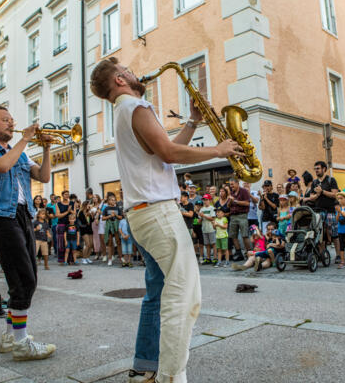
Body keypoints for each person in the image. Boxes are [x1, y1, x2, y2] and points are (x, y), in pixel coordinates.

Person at [90, 56, 242, 383]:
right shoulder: (137, 106)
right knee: (184, 298)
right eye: (127, 70)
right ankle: (171, 376)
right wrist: (218, 150)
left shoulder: (124, 111)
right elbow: (170, 154)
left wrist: (192, 122)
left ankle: (147, 365)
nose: (133, 72)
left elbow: (165, 155)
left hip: (144, 214)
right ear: (119, 80)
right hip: (157, 212)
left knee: (160, 293)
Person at [0, 101, 55, 360]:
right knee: (23, 279)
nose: (12, 123)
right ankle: (21, 343)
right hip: (0, 215)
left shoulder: (20, 153)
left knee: (27, 277)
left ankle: (10, 336)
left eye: (11, 120)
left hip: (22, 214)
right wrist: (26, 139)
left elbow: (43, 177)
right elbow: (1, 166)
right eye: (5, 119)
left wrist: (47, 148)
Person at [304, 161, 340, 262]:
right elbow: (311, 197)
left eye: (318, 168)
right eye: (315, 169)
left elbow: (335, 194)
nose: (316, 170)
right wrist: (317, 195)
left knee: (334, 234)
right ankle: (323, 255)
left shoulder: (331, 180)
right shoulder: (314, 182)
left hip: (330, 211)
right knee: (320, 235)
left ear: (324, 169)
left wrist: (322, 191)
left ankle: (338, 255)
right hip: (318, 211)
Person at [228, 178, 251, 261]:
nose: (231, 186)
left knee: (244, 235)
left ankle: (249, 253)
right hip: (233, 216)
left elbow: (247, 203)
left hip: (242, 215)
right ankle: (239, 253)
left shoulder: (244, 191)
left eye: (232, 184)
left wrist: (235, 201)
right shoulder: (231, 193)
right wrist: (230, 201)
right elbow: (228, 206)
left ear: (237, 183)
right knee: (233, 236)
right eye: (230, 184)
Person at [102, 194, 122, 266]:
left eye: (114, 200)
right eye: (112, 200)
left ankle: (121, 257)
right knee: (110, 243)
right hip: (109, 226)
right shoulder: (106, 208)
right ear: (109, 201)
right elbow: (103, 218)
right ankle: (110, 259)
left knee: (118, 242)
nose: (114, 201)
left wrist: (115, 215)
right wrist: (110, 216)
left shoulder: (117, 208)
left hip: (116, 226)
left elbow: (120, 217)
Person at [199, 194, 216, 264]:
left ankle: (215, 258)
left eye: (206, 200)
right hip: (204, 229)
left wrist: (203, 215)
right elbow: (200, 220)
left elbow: (212, 218)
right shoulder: (202, 209)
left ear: (210, 200)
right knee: (207, 244)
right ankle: (208, 258)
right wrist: (200, 218)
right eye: (204, 200)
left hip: (211, 229)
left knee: (213, 244)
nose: (205, 201)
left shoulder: (212, 208)